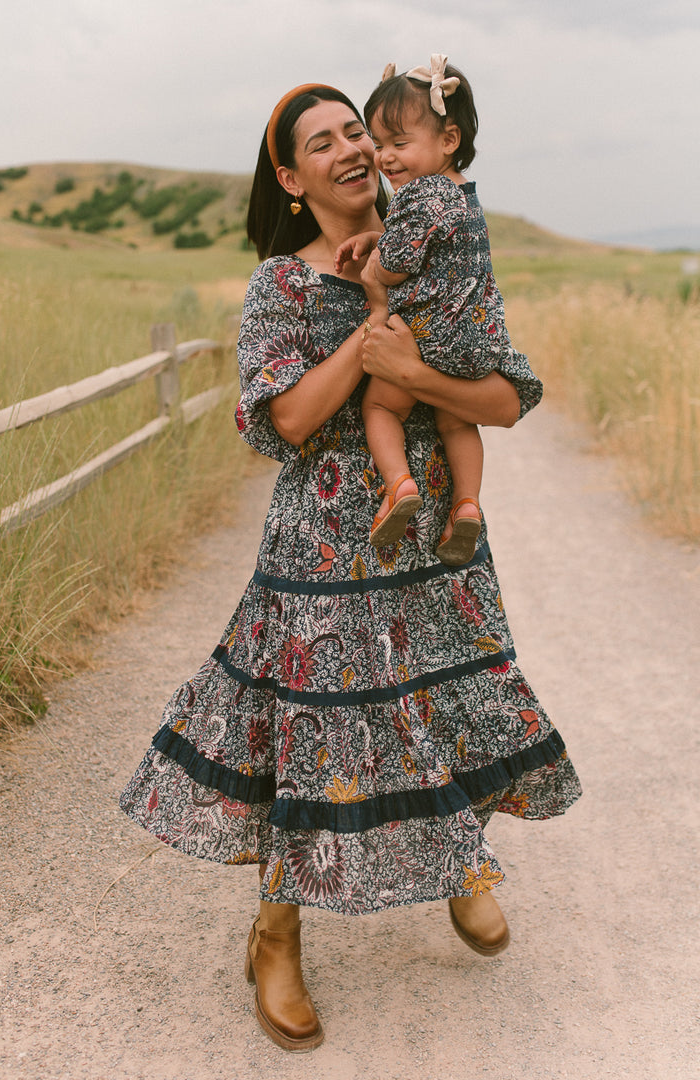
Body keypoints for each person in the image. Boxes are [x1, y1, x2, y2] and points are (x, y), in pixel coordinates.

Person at [119, 82, 581, 1054]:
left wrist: (415, 376)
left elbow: (504, 398)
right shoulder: (280, 288)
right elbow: (279, 420)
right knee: (309, 740)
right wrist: (374, 356)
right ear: (292, 178)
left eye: (357, 131)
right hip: (322, 555)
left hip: (435, 547)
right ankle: (276, 935)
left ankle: (461, 865)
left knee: (440, 707)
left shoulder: (441, 251)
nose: (350, 148)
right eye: (321, 143)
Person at [335, 55, 538, 565]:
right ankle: (466, 506)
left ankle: (400, 487)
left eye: (399, 144)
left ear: (448, 139)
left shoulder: (418, 194)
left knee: (381, 407)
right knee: (455, 423)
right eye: (379, 145)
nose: (385, 158)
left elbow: (400, 262)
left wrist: (375, 275)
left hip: (427, 336)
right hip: (475, 339)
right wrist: (378, 238)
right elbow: (429, 247)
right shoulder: (461, 194)